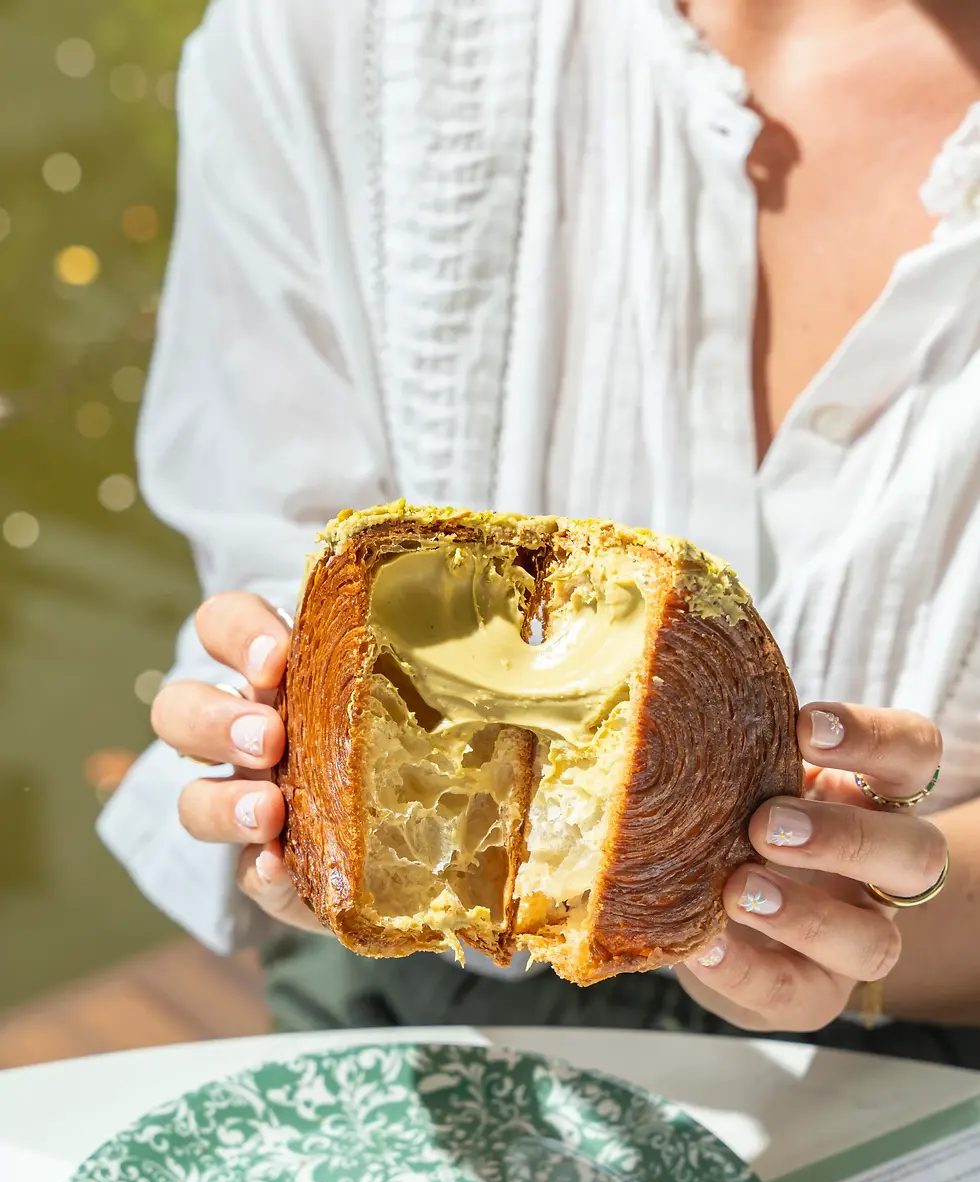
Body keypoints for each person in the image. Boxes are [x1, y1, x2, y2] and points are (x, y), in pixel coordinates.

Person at [100, 0, 980, 1061]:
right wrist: (284, 759)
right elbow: (270, 584)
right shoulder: (337, 32)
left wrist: (894, 920)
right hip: (419, 1020)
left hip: (913, 1045)